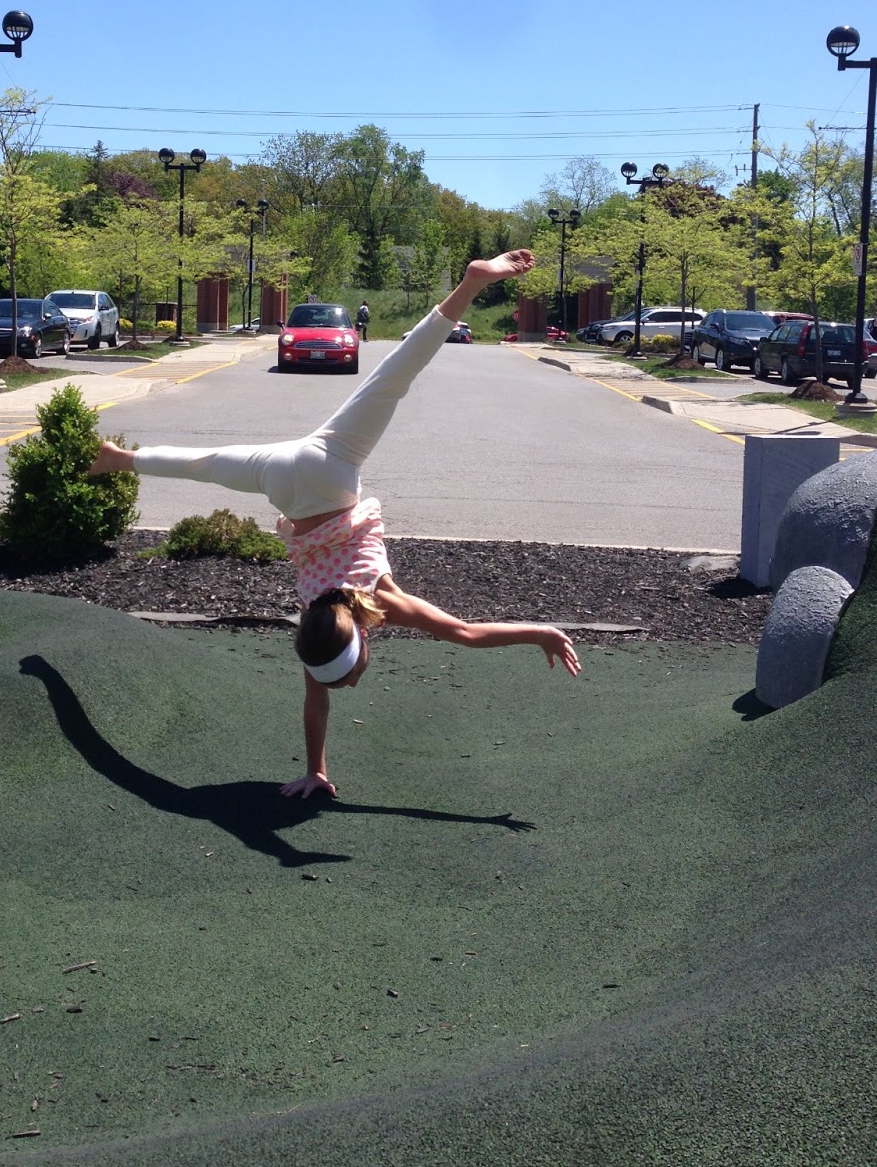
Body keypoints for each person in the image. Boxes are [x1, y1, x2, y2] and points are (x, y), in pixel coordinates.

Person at [89, 252, 581, 799]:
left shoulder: (374, 606)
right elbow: (316, 695)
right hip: (284, 482)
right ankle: (121, 458)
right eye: (348, 677)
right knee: (213, 463)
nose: (347, 683)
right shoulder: (313, 627)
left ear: (356, 643)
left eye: (348, 674)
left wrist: (541, 631)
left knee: (394, 376)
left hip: (328, 472)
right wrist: (315, 770)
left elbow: (463, 633)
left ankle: (471, 283)